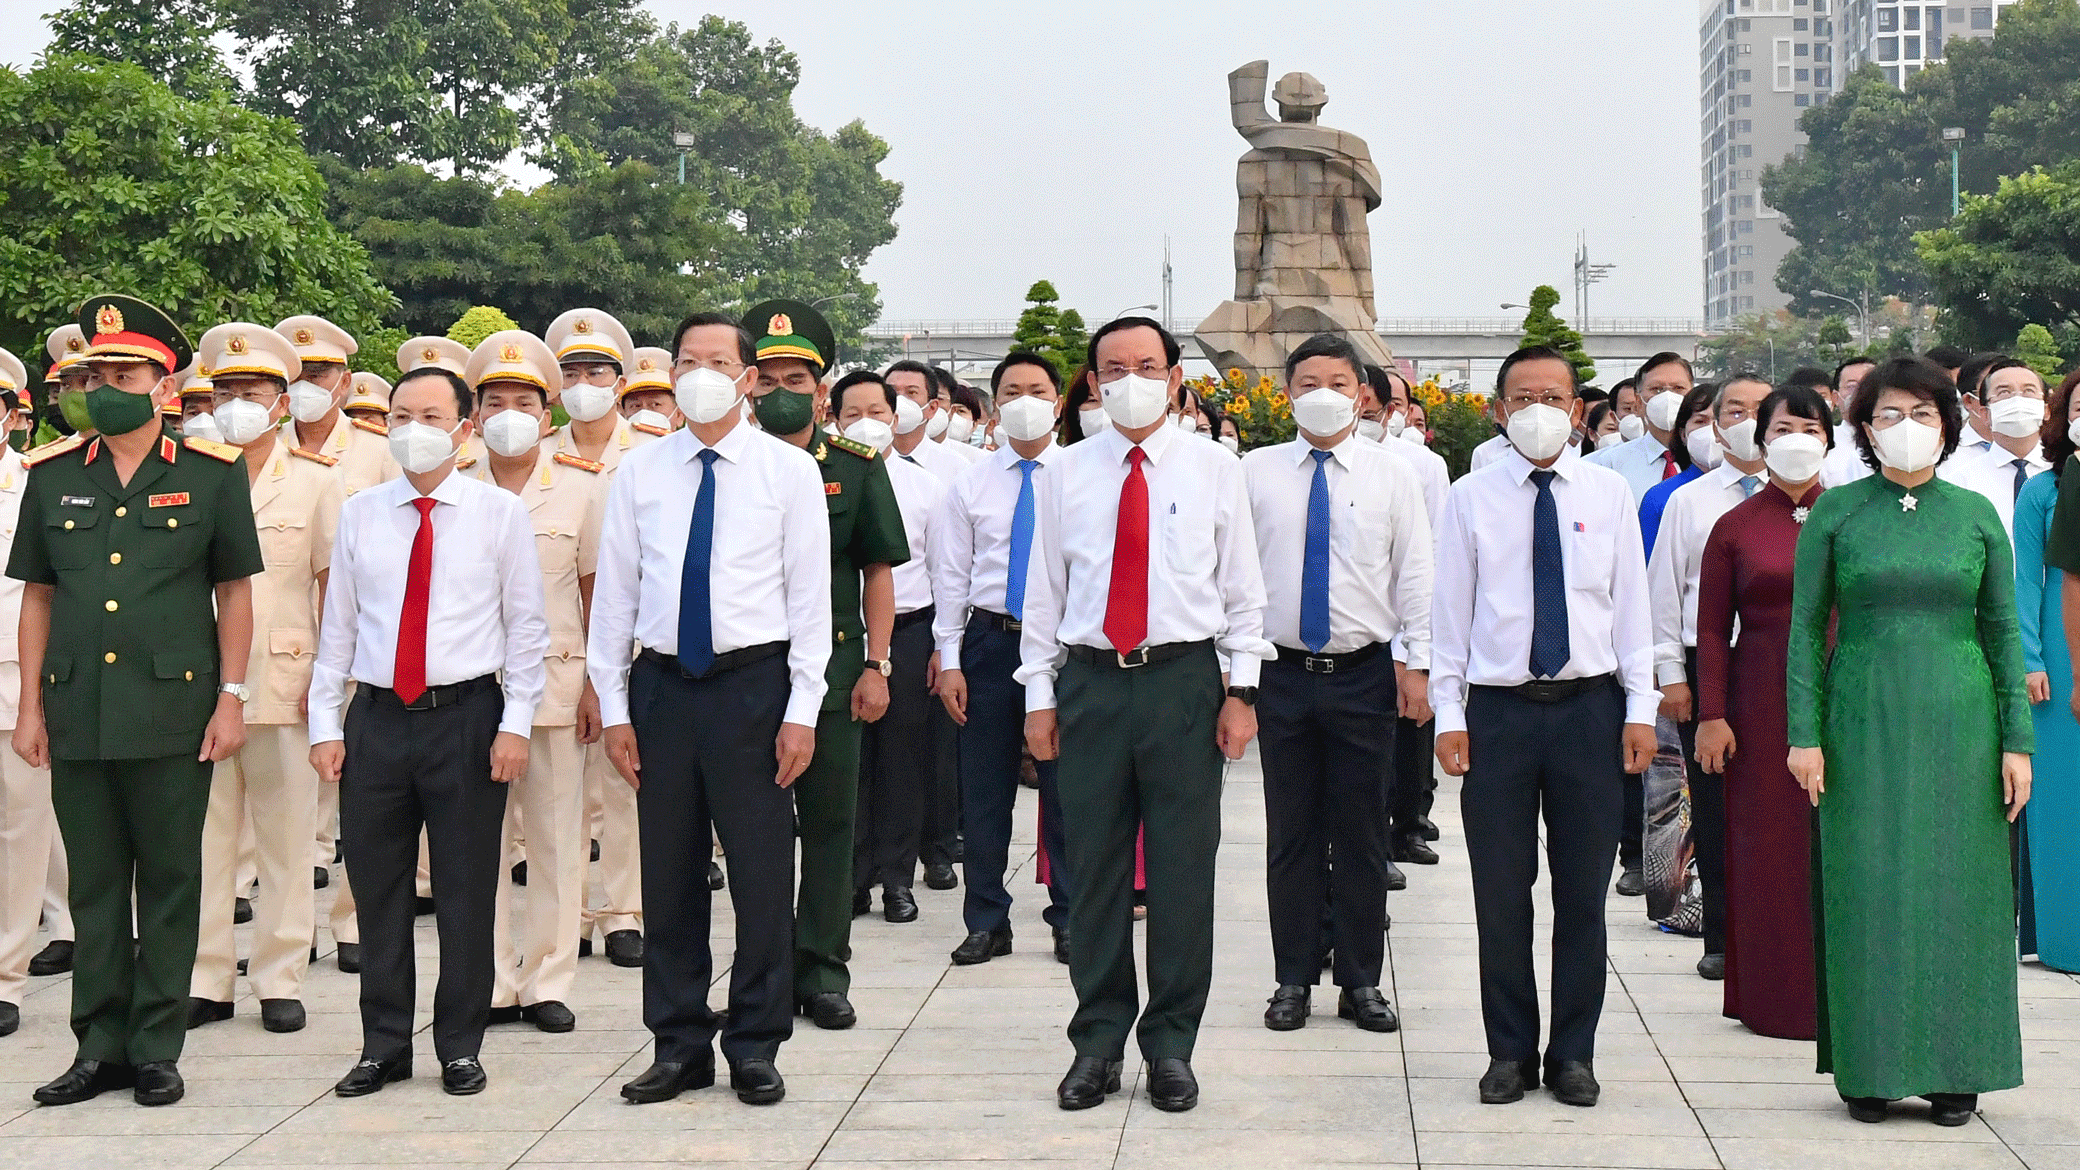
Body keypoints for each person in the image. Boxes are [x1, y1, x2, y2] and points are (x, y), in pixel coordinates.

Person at [8, 296, 262, 1107]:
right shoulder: (49, 478)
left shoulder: (210, 476)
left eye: (125, 372)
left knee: (170, 879)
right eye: (95, 374)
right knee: (92, 885)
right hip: (78, 707)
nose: (106, 385)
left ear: (165, 384)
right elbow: (38, 596)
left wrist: (230, 699)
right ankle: (98, 1047)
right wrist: (28, 706)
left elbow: (234, 592)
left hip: (173, 711)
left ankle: (156, 1044)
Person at [1020, 317, 1269, 1114]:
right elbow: (1044, 593)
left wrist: (1243, 690)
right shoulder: (1064, 472)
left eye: (1148, 365)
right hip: (1092, 682)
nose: (1132, 378)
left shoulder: (1214, 469)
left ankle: (1170, 1045)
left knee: (1183, 872)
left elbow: (1244, 591)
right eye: (1114, 367)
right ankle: (1096, 1041)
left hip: (1183, 683)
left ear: (1174, 377)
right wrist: (1039, 694)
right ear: (1092, 382)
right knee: (1093, 873)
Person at [589, 304, 832, 1107]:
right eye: (685, 360)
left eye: (717, 362)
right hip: (662, 688)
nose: (699, 375)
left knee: (762, 875)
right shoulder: (640, 473)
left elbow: (809, 603)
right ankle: (679, 1041)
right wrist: (614, 707)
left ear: (750, 378)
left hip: (753, 690)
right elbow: (616, 598)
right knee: (671, 876)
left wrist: (802, 708)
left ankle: (756, 1042)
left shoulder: (787, 472)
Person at [1787, 356, 2030, 1126]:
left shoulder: (1977, 514)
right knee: (1868, 885)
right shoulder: (1837, 512)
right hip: (1860, 716)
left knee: (1965, 892)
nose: (1907, 428)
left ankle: (1960, 1070)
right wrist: (1805, 734)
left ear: (1949, 426)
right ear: (1862, 428)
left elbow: (2002, 631)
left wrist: (2016, 743)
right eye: (1888, 414)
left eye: (1923, 414)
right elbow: (1802, 631)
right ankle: (1871, 1068)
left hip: (1964, 722)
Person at [1429, 345, 1658, 1109]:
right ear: (1498, 411)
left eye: (1554, 397)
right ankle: (1508, 1051)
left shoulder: (1609, 494)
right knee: (1501, 891)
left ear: (1576, 410)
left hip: (1589, 712)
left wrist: (1639, 709)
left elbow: (1632, 610)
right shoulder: (1469, 496)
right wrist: (1450, 713)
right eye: (1522, 397)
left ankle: (1574, 1053)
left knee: (1582, 894)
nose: (1538, 410)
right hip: (1497, 714)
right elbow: (1450, 615)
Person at [309, 366, 548, 1099]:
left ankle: (459, 1045)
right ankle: (383, 1045)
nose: (415, 428)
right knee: (377, 894)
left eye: (432, 415)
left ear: (464, 427)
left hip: (467, 719)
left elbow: (527, 629)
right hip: (377, 719)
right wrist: (327, 722)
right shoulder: (362, 511)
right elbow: (339, 626)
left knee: (466, 891)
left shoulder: (497, 513)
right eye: (401, 414)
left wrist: (515, 725)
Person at [1244, 334, 1431, 1034]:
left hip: (1364, 675)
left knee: (1361, 833)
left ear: (1362, 394)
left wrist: (1417, 665)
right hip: (1282, 673)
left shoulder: (1393, 475)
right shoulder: (1256, 472)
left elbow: (1415, 577)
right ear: (1287, 392)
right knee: (1290, 832)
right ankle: (1292, 976)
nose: (1324, 394)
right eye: (1308, 381)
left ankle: (1360, 979)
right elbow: (1233, 575)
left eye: (1338, 381)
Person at [739, 303, 905, 1032]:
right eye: (769, 376)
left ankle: (824, 970)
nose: (784, 389)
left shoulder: (855, 469)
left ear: (821, 385)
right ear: (749, 383)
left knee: (831, 827)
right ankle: (766, 970)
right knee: (757, 832)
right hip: (749, 674)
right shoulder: (730, 463)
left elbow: (876, 572)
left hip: (835, 674)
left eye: (797, 377)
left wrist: (879, 664)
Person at [184, 323, 343, 1037]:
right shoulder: (182, 474)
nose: (235, 404)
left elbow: (336, 590)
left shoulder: (314, 482)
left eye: (251, 392)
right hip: (195, 684)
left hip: (287, 683)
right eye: (225, 391)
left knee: (286, 839)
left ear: (282, 403)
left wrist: (330, 684)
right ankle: (206, 977)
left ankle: (280, 975)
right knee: (204, 839)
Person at [465, 330, 606, 1036]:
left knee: (556, 837)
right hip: (467, 688)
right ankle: (488, 981)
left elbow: (596, 597)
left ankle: (548, 977)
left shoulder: (579, 487)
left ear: (547, 416)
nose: (510, 413)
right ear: (475, 414)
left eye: (524, 402)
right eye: (495, 401)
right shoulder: (452, 486)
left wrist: (597, 687)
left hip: (555, 686)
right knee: (477, 844)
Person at [1692, 384, 1832, 1039]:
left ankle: (1842, 994)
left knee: (1835, 845)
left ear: (1830, 439)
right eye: (1782, 427)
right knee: (1768, 846)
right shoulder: (1735, 526)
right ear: (1761, 439)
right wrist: (1712, 713)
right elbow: (1713, 629)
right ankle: (1772, 997)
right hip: (1758, 698)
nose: (1795, 437)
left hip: (1844, 696)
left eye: (1809, 426)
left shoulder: (1850, 517)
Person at [932, 352, 1075, 966]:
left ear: (1058, 402)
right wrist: (950, 657)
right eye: (1011, 390)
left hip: (1065, 645)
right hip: (991, 641)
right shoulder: (969, 482)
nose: (1024, 400)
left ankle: (1071, 914)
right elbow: (950, 576)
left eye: (1036, 390)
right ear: (994, 404)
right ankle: (986, 918)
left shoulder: (1079, 474)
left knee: (1066, 788)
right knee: (984, 789)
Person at [538, 316, 659, 969]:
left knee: (622, 779)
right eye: (573, 375)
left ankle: (623, 912)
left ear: (621, 381)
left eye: (597, 373)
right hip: (559, 640)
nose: (585, 386)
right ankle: (571, 916)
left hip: (638, 637)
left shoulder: (654, 448)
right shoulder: (540, 451)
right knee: (562, 791)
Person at [1646, 373, 1772, 983]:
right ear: (1714, 423)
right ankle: (1722, 933)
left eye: (1759, 409)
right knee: (1717, 804)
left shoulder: (1820, 497)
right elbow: (1664, 596)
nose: (1747, 421)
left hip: (1782, 665)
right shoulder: (1687, 501)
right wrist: (1672, 677)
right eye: (1734, 410)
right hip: (1710, 666)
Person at [829, 369, 939, 924]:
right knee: (849, 763)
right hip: (846, 636)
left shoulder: (926, 485)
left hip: (912, 632)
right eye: (854, 414)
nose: (867, 424)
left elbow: (947, 570)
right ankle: (851, 875)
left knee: (900, 759)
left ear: (897, 418)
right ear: (835, 417)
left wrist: (944, 646)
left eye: (878, 412)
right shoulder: (823, 476)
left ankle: (898, 877)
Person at [0, 359, 71, 1037]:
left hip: (11, 680)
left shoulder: (37, 482)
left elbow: (49, 594)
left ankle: (6, 976)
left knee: (21, 831)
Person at [2027, 372, 2080, 974]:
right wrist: (2030, 659)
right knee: (2062, 800)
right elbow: (2026, 583)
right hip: (2060, 660)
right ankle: (2065, 938)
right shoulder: (2043, 492)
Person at [1945, 358, 2051, 538]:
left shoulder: (2064, 471)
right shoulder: (1960, 482)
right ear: (1985, 413)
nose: (2018, 400)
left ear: (2046, 409)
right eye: (2004, 393)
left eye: (2028, 391)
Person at [1581, 352, 1694, 501]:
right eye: (1656, 389)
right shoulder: (1606, 464)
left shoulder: (1709, 461)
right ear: (1638, 402)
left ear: (1693, 396)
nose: (1668, 396)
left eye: (1678, 388)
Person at [1820, 357, 1879, 487]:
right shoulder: (1823, 442)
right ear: (1835, 398)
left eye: (1869, 384)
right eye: (1851, 386)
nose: (1861, 392)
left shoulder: (1896, 437)